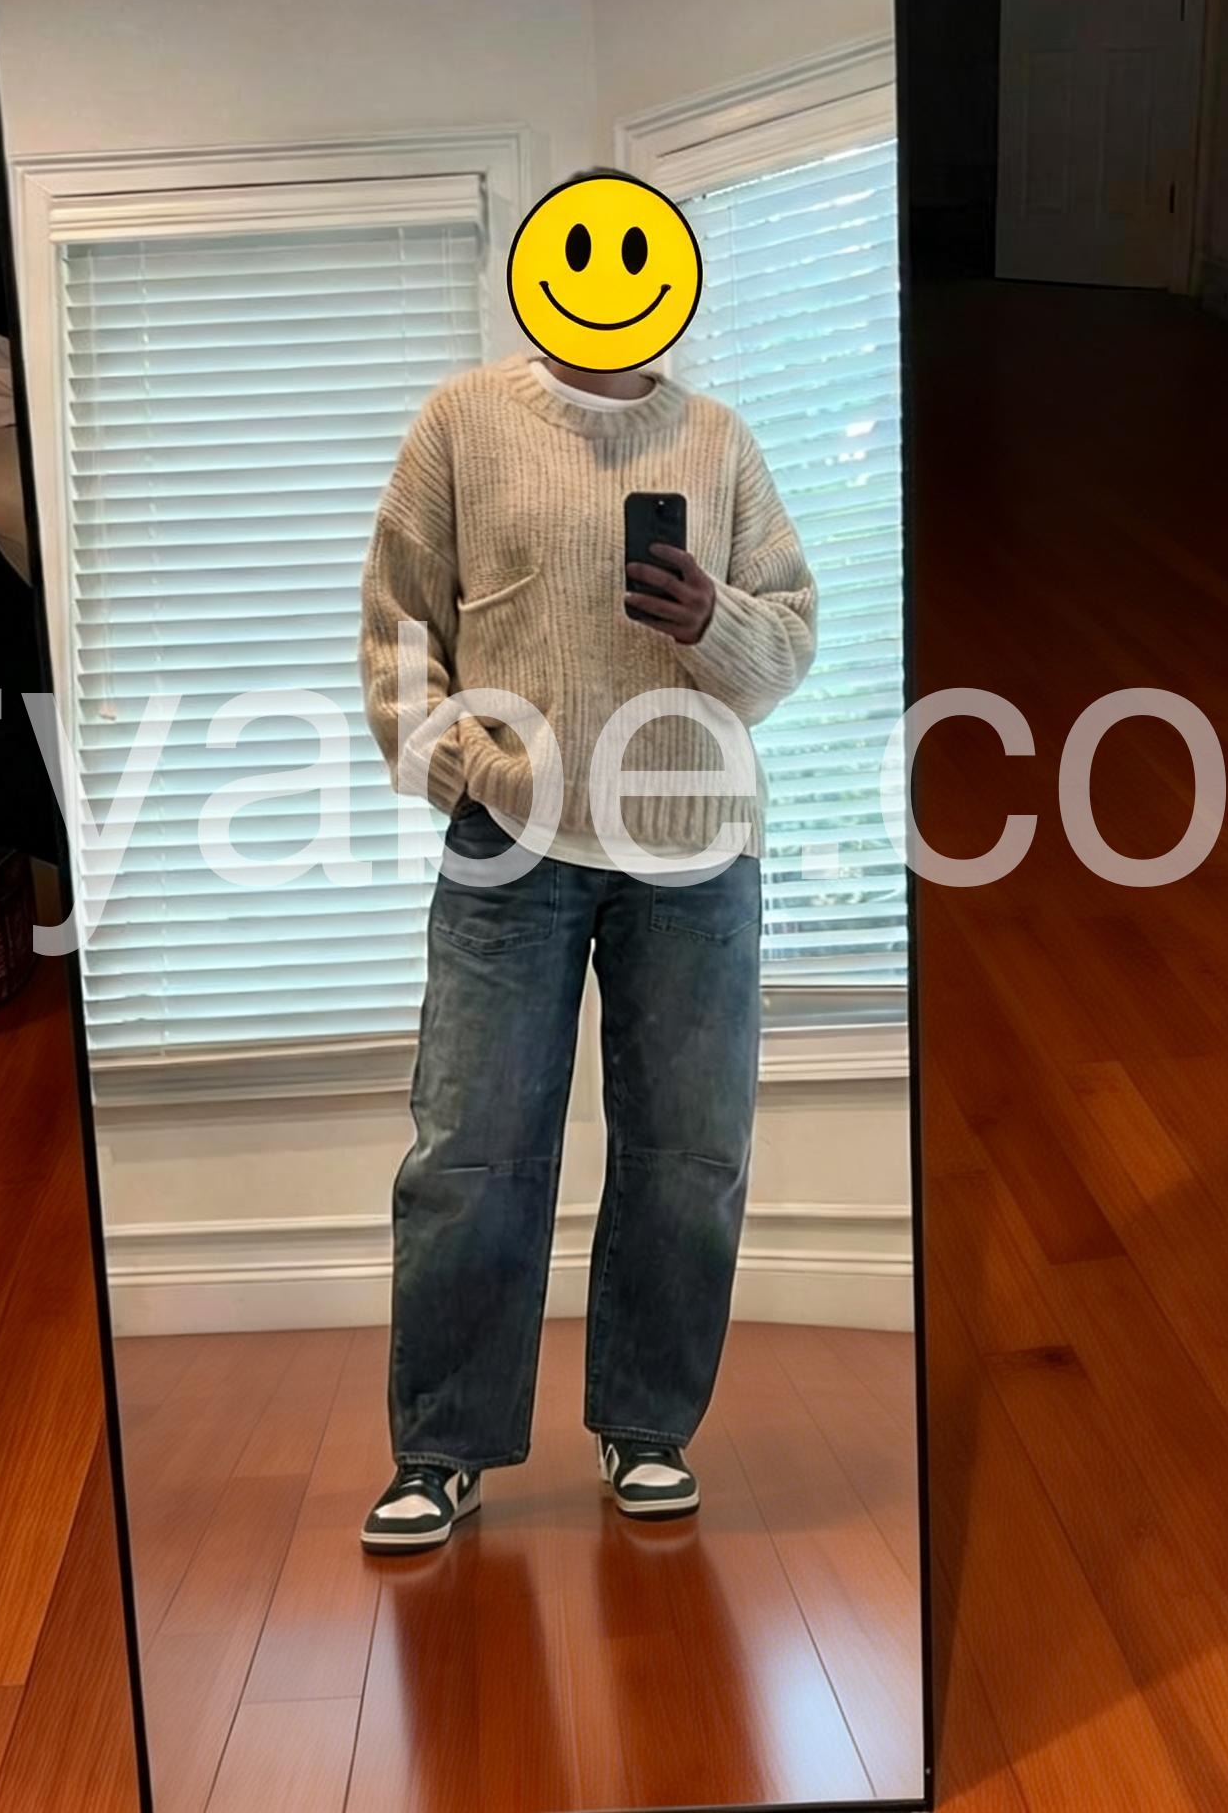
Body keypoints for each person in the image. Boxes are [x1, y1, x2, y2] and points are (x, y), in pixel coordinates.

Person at [356, 313, 816, 1550]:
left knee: (690, 1152)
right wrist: (470, 770)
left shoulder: (717, 440)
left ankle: (646, 1426)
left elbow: (787, 646)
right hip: (511, 839)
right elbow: (399, 628)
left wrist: (711, 619)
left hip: (695, 842)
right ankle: (441, 1449)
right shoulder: (461, 422)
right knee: (470, 1148)